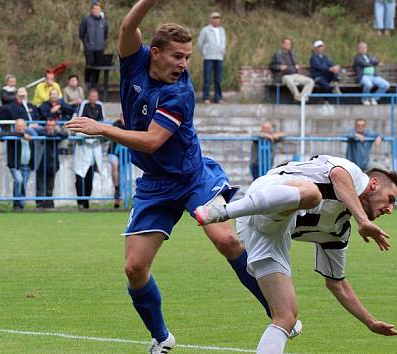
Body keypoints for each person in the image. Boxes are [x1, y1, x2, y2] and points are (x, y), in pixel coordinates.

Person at [66, 1, 295, 351]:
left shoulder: (179, 92)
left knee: (227, 241)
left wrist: (101, 129)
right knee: (134, 267)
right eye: (177, 56)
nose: (184, 64)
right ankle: (161, 337)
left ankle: (280, 315)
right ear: (154, 53)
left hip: (192, 177)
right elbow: (128, 28)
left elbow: (152, 142)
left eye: (188, 57)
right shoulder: (135, 62)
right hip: (155, 185)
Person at [195, 156, 397, 353]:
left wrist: (370, 322)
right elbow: (338, 176)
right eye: (390, 199)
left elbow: (337, 283)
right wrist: (363, 221)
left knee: (286, 317)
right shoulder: (353, 173)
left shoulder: (339, 230)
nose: (390, 209)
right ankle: (222, 212)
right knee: (313, 194)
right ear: (374, 183)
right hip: (268, 191)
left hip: (266, 233)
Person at [73, 89, 105, 209]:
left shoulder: (100, 106)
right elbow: (78, 120)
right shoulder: (83, 105)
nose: (93, 98)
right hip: (83, 145)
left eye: (95, 96)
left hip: (95, 145)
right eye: (92, 96)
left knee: (90, 174)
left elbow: (102, 122)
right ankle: (80, 200)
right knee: (79, 174)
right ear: (88, 96)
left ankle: (86, 201)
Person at [35, 119, 68, 208]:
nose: (50, 127)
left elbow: (65, 134)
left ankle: (49, 204)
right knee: (40, 187)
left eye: (52, 125)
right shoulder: (41, 132)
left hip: (52, 164)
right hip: (41, 164)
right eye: (48, 125)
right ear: (45, 126)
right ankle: (40, 204)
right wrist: (51, 135)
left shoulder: (56, 135)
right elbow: (39, 133)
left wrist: (54, 133)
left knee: (50, 187)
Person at [269, 37, 314, 103]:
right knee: (289, 79)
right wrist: (279, 67)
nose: (288, 45)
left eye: (289, 43)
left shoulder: (292, 54)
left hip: (295, 74)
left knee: (310, 81)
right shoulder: (277, 54)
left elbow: (295, 64)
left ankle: (302, 98)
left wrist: (297, 66)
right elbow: (271, 65)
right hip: (283, 76)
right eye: (286, 43)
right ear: (282, 45)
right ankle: (298, 98)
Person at [198, 11, 227, 104]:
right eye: (214, 18)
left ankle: (218, 97)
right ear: (211, 19)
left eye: (217, 18)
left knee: (218, 79)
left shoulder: (222, 30)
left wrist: (223, 51)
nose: (216, 20)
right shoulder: (205, 30)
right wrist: (204, 53)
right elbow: (200, 43)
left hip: (219, 57)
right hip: (208, 57)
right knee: (207, 78)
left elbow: (224, 42)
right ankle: (205, 97)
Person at [6, 118, 34, 209]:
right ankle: (17, 202)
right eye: (18, 126)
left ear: (25, 127)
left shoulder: (29, 135)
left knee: (23, 185)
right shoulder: (13, 135)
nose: (20, 127)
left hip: (27, 165)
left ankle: (20, 204)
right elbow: (9, 134)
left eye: (22, 126)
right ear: (15, 127)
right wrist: (22, 135)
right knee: (19, 180)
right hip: (15, 165)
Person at [79, 2, 108, 90]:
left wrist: (102, 43)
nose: (97, 11)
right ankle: (87, 83)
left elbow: (105, 34)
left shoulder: (103, 21)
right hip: (89, 49)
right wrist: (86, 44)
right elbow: (81, 33)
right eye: (95, 9)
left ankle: (95, 84)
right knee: (89, 66)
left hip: (100, 48)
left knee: (98, 66)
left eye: (98, 9)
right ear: (92, 10)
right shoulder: (86, 20)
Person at [353, 42, 390, 106]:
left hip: (373, 76)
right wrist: (373, 63)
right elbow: (363, 64)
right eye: (361, 48)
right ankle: (364, 99)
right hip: (364, 76)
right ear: (358, 49)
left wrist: (374, 62)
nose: (362, 49)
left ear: (366, 49)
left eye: (364, 48)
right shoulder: (357, 57)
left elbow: (376, 61)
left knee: (386, 85)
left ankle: (374, 98)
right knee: (369, 85)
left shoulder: (369, 56)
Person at [107, 114, 125, 208]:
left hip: (126, 154)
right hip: (113, 152)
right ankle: (116, 189)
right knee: (115, 165)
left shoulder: (131, 124)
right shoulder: (116, 124)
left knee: (123, 175)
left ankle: (119, 199)